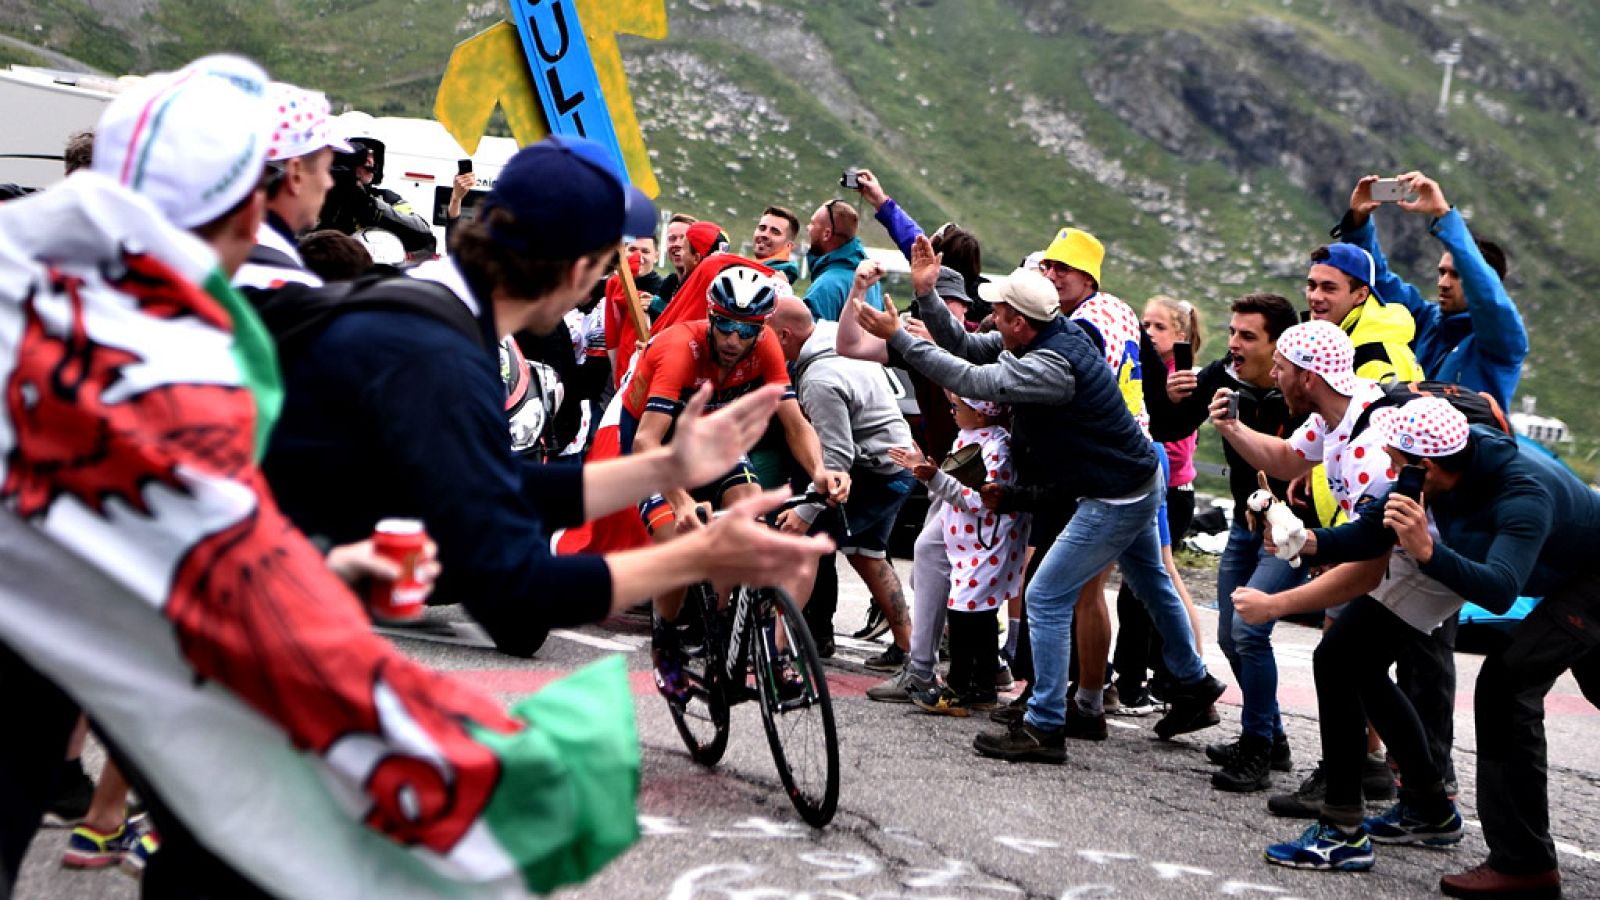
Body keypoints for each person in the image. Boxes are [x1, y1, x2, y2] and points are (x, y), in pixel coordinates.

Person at [262, 136, 835, 657]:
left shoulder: (439, 302)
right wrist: (692, 559)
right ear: (577, 268)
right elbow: (516, 587)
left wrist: (669, 466)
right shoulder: (445, 355)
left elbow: (502, 485)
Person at [855, 237, 1224, 763]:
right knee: (1150, 581)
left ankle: (1045, 723)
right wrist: (928, 296)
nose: (991, 318)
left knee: (1047, 596)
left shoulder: (1048, 367)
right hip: (1136, 478)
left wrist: (900, 337)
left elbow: (968, 376)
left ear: (1020, 323)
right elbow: (965, 346)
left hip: (1113, 492)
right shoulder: (1044, 335)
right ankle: (1194, 686)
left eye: (999, 312)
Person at [622, 266, 849, 697]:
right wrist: (682, 502)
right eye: (723, 324)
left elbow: (795, 423)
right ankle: (665, 643)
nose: (732, 339)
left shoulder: (764, 345)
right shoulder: (679, 350)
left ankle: (760, 646)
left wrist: (820, 471)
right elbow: (647, 441)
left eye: (745, 329)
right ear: (710, 316)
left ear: (761, 327)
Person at [1146, 293, 1309, 792]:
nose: (1234, 345)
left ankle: (1258, 746)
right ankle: (1272, 736)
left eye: (1247, 337)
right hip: (1245, 524)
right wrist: (1170, 393)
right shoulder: (1223, 375)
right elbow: (1169, 426)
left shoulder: (1300, 390)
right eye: (1232, 333)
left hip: (1296, 531)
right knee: (1227, 635)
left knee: (1249, 629)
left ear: (1277, 346)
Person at [766, 294, 915, 671]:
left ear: (784, 336)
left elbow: (836, 459)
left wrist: (805, 511)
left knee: (808, 543)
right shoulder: (830, 333)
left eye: (764, 336)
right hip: (898, 465)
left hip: (879, 472)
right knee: (868, 554)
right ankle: (908, 646)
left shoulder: (818, 379)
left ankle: (776, 649)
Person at [1334, 172, 1526, 410]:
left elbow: (1487, 297)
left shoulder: (1501, 339)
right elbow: (1379, 280)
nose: (1443, 283)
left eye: (1457, 275)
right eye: (1442, 272)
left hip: (1470, 446)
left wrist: (1444, 216)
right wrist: (1359, 223)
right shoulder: (1426, 321)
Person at [888, 395, 1028, 716]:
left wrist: (932, 476)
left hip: (984, 543)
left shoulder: (997, 448)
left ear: (979, 415)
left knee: (971, 613)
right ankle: (976, 684)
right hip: (965, 542)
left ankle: (968, 686)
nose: (951, 412)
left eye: (956, 408)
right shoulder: (970, 437)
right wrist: (929, 472)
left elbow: (978, 500)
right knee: (970, 612)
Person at [1112, 294, 1206, 716]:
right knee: (1140, 586)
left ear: (1182, 336)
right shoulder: (1144, 372)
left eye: (1159, 328)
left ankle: (1145, 681)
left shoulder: (1180, 378)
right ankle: (1141, 676)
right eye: (1144, 325)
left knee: (1146, 588)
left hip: (1171, 492)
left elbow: (1179, 449)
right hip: (1151, 484)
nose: (1147, 334)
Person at [233, 81, 349, 293]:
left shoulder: (193, 255)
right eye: (326, 169)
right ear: (295, 174)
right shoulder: (290, 287)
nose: (329, 183)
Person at [317, 132, 437, 258]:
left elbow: (424, 236)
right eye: (363, 155)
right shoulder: (319, 196)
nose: (370, 161)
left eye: (373, 155)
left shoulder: (386, 198)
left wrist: (371, 206)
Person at [804, 198, 883, 320]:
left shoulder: (824, 286)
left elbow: (808, 337)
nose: (808, 228)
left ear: (826, 234)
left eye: (813, 223)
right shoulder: (872, 281)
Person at [654, 212, 697, 308]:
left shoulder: (704, 286)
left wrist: (661, 308)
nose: (677, 244)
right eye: (672, 238)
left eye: (684, 238)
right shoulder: (669, 284)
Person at [752, 205, 802, 284]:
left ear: (789, 246)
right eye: (762, 228)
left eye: (775, 232)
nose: (765, 234)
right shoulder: (746, 270)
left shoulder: (777, 282)